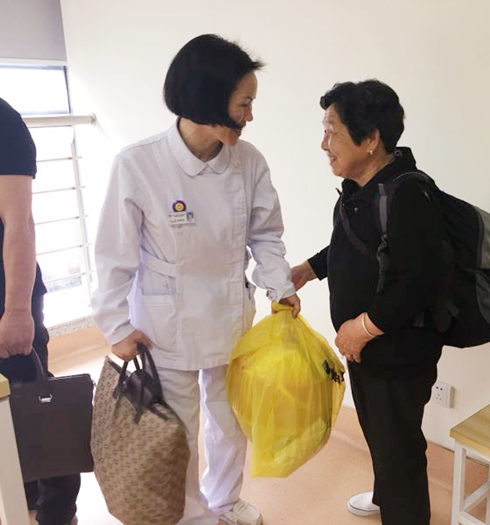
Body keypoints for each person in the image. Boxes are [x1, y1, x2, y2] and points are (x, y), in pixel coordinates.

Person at [91, 34, 300, 525]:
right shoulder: (139, 164)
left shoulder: (249, 162)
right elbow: (113, 255)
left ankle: (224, 500)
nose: (250, 115)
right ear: (208, 101)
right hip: (167, 322)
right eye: (244, 103)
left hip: (229, 311)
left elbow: (266, 234)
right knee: (178, 429)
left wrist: (280, 285)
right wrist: (115, 326)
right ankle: (189, 515)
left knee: (230, 421)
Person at [291, 80, 443, 525]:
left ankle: (405, 515)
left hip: (398, 351)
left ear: (371, 138)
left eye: (332, 132)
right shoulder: (361, 188)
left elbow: (419, 282)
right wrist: (308, 270)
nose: (324, 145)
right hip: (366, 348)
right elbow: (354, 247)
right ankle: (385, 496)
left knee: (399, 446)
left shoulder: (408, 194)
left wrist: (362, 328)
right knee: (379, 431)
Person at [0, 97, 80, 525]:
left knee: (34, 408)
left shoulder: (4, 122)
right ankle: (23, 496)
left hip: (6, 302)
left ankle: (55, 512)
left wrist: (16, 311)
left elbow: (20, 222)